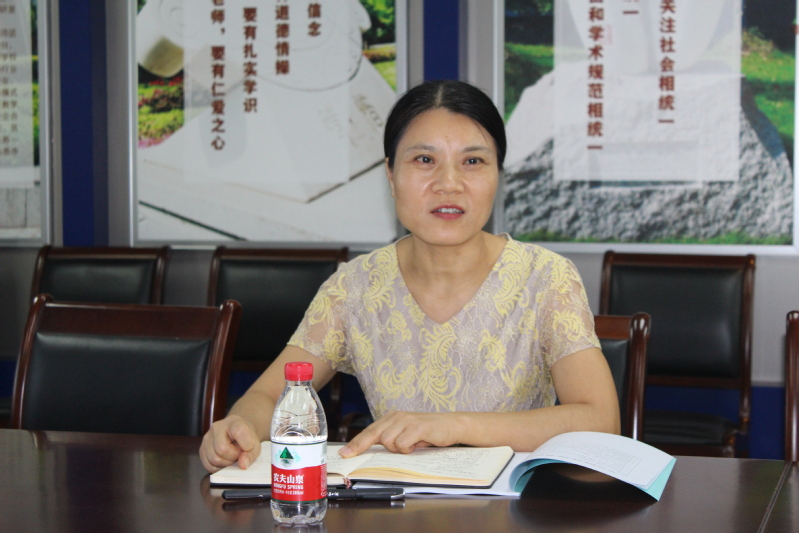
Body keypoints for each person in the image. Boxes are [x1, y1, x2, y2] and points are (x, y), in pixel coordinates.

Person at [200, 80, 620, 473]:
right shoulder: (355, 287)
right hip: (395, 505)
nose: (449, 184)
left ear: (498, 175)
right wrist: (239, 425)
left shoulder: (546, 278)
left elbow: (601, 421)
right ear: (390, 174)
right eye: (424, 160)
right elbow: (268, 395)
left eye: (473, 161)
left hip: (510, 507)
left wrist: (454, 426)